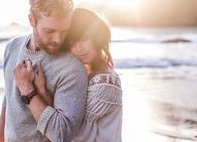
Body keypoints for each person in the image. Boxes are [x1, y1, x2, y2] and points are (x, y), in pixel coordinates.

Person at [0, 0, 88, 142]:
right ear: (32, 20)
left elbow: (62, 134)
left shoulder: (72, 69)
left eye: (64, 31)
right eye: (50, 31)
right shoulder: (12, 47)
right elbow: (9, 97)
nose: (58, 39)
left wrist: (27, 89)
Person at [14, 8, 123, 142]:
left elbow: (72, 134)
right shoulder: (92, 71)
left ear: (97, 36)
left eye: (84, 39)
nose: (79, 48)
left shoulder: (104, 83)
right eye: (72, 43)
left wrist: (40, 91)